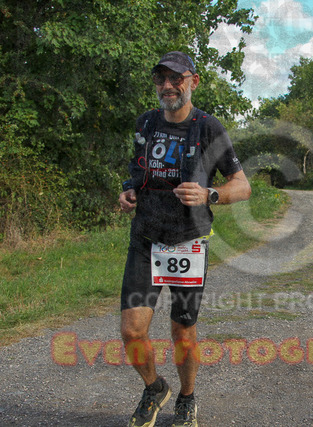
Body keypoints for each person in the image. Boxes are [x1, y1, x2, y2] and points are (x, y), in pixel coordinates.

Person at [118, 51, 251, 427]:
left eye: (176, 78)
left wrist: (210, 194)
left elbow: (242, 186)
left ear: (193, 81)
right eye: (161, 78)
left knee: (183, 332)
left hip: (187, 244)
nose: (167, 86)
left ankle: (187, 398)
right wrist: (129, 191)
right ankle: (154, 387)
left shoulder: (208, 128)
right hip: (145, 240)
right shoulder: (145, 123)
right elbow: (138, 171)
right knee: (132, 331)